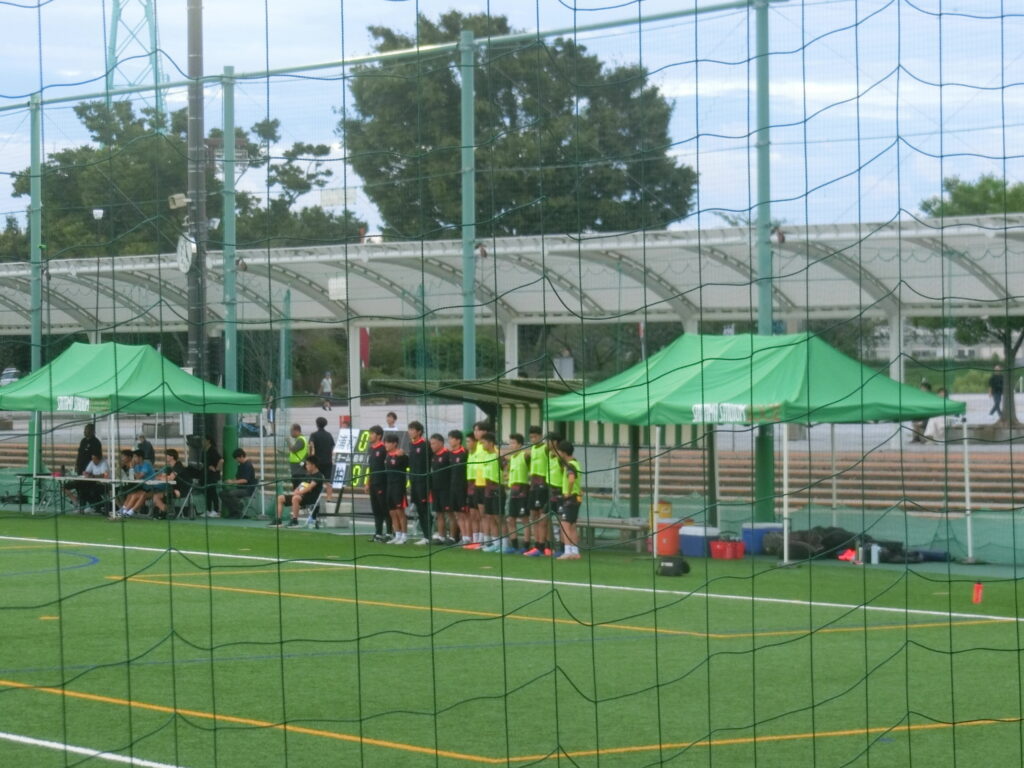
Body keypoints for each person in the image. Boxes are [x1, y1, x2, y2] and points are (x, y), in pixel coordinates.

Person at [269, 455, 323, 528]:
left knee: (295, 498)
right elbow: (301, 485)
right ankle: (278, 520)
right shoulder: (307, 475)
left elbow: (309, 487)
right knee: (280, 498)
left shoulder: (318, 476)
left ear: (313, 465)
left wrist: (298, 493)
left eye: (307, 464)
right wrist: (296, 490)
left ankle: (295, 520)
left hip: (310, 498)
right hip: (301, 496)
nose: (306, 466)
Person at [524, 426, 552, 557]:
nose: (533, 439)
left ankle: (547, 545)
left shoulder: (545, 448)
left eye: (535, 436)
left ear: (541, 436)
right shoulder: (532, 450)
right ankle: (537, 545)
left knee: (543, 516)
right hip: (533, 485)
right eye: (531, 437)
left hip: (543, 484)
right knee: (534, 516)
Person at [554, 440, 583, 560]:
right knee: (572, 525)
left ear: (564, 453)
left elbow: (571, 479)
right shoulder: (576, 463)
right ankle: (575, 552)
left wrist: (568, 493)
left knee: (565, 525)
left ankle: (567, 551)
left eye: (559, 451)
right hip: (576, 497)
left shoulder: (570, 465)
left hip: (571, 498)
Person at [504, 433, 529, 554]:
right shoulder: (512, 458)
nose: (511, 445)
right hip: (512, 490)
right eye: (510, 443)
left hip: (522, 490)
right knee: (510, 519)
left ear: (520, 444)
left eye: (513, 443)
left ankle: (526, 546)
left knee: (524, 519)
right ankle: (514, 545)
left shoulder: (524, 456)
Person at [406, 420, 431, 545]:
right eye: (409, 429)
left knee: (424, 509)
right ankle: (425, 536)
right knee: (419, 509)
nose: (410, 432)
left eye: (412, 430)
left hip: (423, 482)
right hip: (414, 481)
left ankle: (428, 536)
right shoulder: (411, 444)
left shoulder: (424, 444)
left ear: (419, 432)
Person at [479, 431, 504, 552]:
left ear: (490, 443)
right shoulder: (486, 455)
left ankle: (505, 544)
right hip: (487, 489)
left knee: (499, 518)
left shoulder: (498, 455)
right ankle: (495, 543)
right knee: (490, 517)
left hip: (497, 489)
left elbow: (505, 469)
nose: (482, 445)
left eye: (483, 442)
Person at [114, 449, 156, 520]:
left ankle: (128, 512)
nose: (133, 459)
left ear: (140, 457)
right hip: (142, 487)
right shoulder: (137, 466)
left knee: (135, 494)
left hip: (151, 488)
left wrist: (132, 468)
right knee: (131, 494)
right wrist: (133, 470)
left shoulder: (146, 465)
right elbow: (133, 477)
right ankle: (124, 511)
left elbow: (138, 477)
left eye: (135, 457)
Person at [366, 425, 391, 542]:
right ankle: (378, 533)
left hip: (382, 483)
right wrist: (367, 482)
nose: (370, 436)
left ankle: (390, 532)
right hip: (373, 483)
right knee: (376, 509)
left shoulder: (383, 448)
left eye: (372, 434)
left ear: (379, 435)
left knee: (384, 508)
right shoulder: (371, 448)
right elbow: (371, 468)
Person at [384, 434, 410, 544]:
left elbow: (409, 463)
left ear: (394, 444)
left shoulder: (400, 455)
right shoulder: (387, 456)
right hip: (389, 487)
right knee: (392, 512)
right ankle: (397, 534)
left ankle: (404, 535)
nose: (386, 445)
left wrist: (404, 455)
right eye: (385, 442)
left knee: (400, 512)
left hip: (399, 487)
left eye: (388, 442)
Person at [429, 433, 453, 544]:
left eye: (434, 443)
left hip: (446, 489)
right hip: (436, 489)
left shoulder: (447, 454)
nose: (432, 446)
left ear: (441, 443)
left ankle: (452, 537)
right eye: (431, 444)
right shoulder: (433, 456)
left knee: (450, 513)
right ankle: (441, 536)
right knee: (439, 513)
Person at [221, 448, 257, 518]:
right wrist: (230, 481)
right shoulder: (240, 465)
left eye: (237, 458)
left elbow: (245, 480)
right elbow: (237, 478)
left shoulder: (248, 465)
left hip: (247, 489)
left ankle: (238, 509)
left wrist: (233, 482)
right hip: (240, 488)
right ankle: (233, 512)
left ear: (241, 456)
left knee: (231, 493)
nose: (236, 460)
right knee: (222, 493)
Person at [447, 430, 469, 546]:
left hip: (462, 488)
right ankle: (463, 537)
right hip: (452, 488)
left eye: (451, 439)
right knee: (457, 514)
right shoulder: (450, 454)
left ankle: (468, 538)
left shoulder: (465, 453)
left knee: (464, 514)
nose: (449, 441)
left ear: (458, 440)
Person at [308, 416, 336, 502]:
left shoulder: (314, 435)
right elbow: (332, 446)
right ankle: (329, 498)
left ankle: (312, 498)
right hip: (328, 461)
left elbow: (311, 445)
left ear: (317, 424)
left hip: (317, 462)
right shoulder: (329, 435)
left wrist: (310, 455)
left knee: (314, 480)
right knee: (328, 481)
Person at [152, 448, 187, 518]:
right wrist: (162, 477)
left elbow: (171, 478)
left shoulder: (178, 465)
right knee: (156, 496)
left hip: (181, 490)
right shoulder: (168, 467)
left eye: (166, 455)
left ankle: (166, 513)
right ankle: (166, 511)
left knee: (159, 495)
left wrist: (162, 477)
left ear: (171, 457)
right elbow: (161, 477)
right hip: (171, 489)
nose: (165, 457)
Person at [76, 449, 109, 513]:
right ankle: (83, 508)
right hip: (93, 483)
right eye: (92, 458)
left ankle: (96, 507)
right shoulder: (92, 462)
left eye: (95, 459)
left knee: (91, 490)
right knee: (82, 489)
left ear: (99, 459)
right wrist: (85, 473)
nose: (93, 460)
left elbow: (103, 475)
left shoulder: (104, 463)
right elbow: (87, 471)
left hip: (103, 484)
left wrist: (92, 476)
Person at [203, 436, 223, 516]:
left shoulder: (213, 450)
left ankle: (216, 510)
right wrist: (208, 466)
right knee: (207, 492)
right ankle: (208, 510)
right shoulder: (205, 450)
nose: (202, 442)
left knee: (213, 492)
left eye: (204, 440)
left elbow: (221, 460)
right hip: (207, 474)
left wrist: (217, 469)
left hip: (213, 475)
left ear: (208, 441)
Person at [286, 423, 308, 489]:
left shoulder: (300, 440)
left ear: (296, 431)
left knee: (299, 489)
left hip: (299, 469)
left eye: (291, 431)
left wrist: (288, 441)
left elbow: (293, 449)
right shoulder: (299, 439)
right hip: (297, 469)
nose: (290, 433)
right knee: (297, 488)